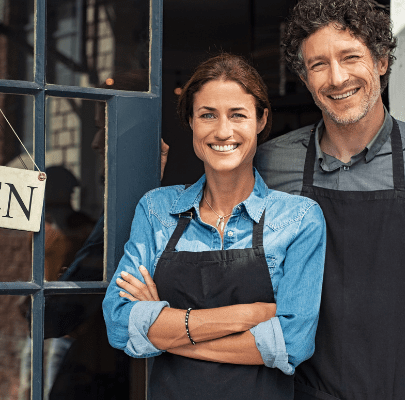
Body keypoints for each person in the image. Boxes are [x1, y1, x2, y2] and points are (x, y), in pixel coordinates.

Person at [254, 1, 405, 399]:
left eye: (350, 57)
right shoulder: (269, 164)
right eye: (319, 64)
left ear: (382, 60)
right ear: (304, 77)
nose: (337, 78)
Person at [102, 53, 326, 400]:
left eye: (238, 115)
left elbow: (292, 343)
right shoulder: (157, 210)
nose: (223, 131)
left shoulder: (298, 219)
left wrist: (165, 334)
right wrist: (246, 315)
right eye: (208, 115)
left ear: (261, 120)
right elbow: (119, 323)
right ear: (190, 121)